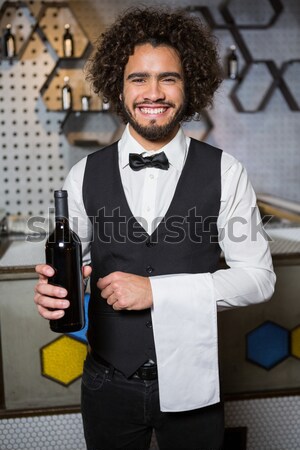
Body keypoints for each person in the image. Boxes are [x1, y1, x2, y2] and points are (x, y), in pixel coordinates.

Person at [34, 7, 275, 450]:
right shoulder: (83, 175)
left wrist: (157, 291)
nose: (154, 92)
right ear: (118, 86)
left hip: (194, 385)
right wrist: (55, 293)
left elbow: (259, 279)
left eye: (169, 78)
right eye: (138, 78)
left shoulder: (227, 171)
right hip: (107, 384)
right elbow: (77, 271)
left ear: (190, 86)